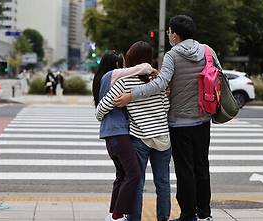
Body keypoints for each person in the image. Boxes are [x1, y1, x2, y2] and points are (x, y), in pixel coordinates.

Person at [113, 15, 221, 221]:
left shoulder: (173, 55)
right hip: (203, 118)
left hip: (180, 122)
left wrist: (131, 95)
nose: (169, 35)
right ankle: (204, 213)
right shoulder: (208, 50)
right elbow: (218, 76)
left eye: (170, 32)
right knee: (201, 166)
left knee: (185, 170)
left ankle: (188, 214)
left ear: (175, 34)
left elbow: (160, 84)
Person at [96, 41, 172, 221]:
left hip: (141, 138)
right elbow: (166, 106)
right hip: (162, 137)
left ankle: (134, 218)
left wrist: (104, 118)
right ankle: (163, 218)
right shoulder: (158, 81)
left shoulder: (124, 82)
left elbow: (101, 108)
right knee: (163, 183)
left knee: (138, 183)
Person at [92, 50, 139, 221]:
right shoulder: (111, 77)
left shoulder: (101, 79)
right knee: (134, 174)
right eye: (123, 64)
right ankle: (118, 214)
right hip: (118, 133)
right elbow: (137, 70)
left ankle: (114, 213)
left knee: (122, 174)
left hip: (110, 134)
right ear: (118, 65)